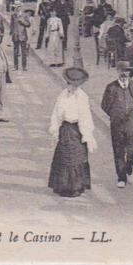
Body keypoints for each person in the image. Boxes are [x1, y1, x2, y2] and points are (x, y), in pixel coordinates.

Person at [100, 61, 133, 188]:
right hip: (117, 124)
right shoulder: (111, 87)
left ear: (130, 72)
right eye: (121, 71)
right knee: (118, 151)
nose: (124, 74)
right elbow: (104, 105)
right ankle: (121, 177)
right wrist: (115, 114)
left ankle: (129, 167)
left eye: (126, 71)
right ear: (117, 72)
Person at [48, 67, 97, 198]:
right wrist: (55, 129)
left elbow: (86, 116)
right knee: (64, 156)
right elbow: (56, 114)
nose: (72, 87)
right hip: (65, 129)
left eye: (75, 85)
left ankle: (77, 186)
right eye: (70, 84)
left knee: (77, 157)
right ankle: (63, 186)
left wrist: (87, 134)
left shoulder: (82, 97)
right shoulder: (62, 95)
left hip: (77, 130)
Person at [11, 6, 32, 72]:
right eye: (16, 7)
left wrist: (22, 21)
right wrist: (12, 33)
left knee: (23, 52)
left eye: (19, 7)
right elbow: (11, 25)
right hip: (15, 36)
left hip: (23, 36)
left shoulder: (24, 15)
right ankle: (15, 66)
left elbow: (28, 24)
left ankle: (24, 66)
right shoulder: (13, 15)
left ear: (21, 7)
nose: (17, 8)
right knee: (15, 52)